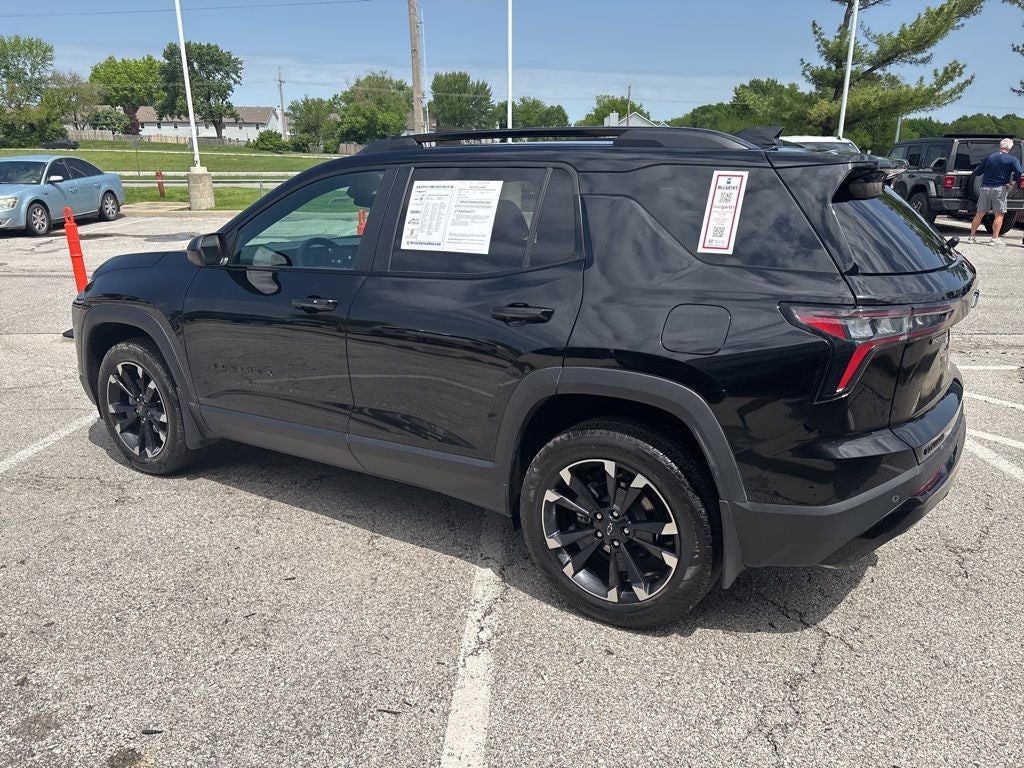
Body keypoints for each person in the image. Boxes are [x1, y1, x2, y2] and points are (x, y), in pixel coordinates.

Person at [967, 138, 1022, 246]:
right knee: (999, 214)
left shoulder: (990, 157)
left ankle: (971, 237)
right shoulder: (1012, 159)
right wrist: (1011, 183)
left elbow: (978, 172)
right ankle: (994, 239)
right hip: (1000, 189)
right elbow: (1019, 171)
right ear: (1010, 148)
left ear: (1000, 146)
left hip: (985, 188)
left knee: (979, 213)